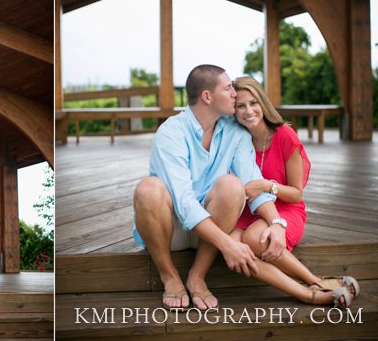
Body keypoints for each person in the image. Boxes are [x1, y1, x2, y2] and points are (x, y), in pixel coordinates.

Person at [133, 64, 284, 312]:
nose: (235, 93)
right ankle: (169, 275)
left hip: (214, 227)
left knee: (233, 186)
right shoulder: (171, 132)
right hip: (170, 231)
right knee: (148, 189)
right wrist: (228, 245)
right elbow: (183, 202)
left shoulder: (235, 132)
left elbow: (253, 183)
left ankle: (197, 275)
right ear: (207, 96)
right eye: (228, 88)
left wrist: (277, 224)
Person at [231, 76, 359, 307]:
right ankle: (308, 292)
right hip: (250, 210)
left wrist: (266, 185)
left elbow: (296, 193)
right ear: (234, 110)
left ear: (263, 103)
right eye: (240, 105)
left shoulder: (284, 136)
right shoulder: (236, 137)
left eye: (253, 103)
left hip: (285, 208)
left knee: (254, 238)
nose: (248, 111)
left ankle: (314, 281)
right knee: (233, 246)